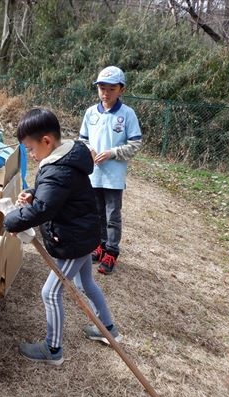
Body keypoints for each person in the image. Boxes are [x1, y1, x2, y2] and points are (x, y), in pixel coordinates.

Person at [3, 108, 122, 366]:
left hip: (74, 239)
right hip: (84, 232)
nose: (31, 156)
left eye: (31, 149)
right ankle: (108, 329)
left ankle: (53, 349)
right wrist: (36, 192)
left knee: (50, 293)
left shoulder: (58, 169)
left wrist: (10, 219)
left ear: (46, 141)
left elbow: (44, 209)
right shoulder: (69, 155)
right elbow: (56, 193)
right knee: (85, 284)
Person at [79, 66, 142, 274]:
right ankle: (99, 244)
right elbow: (83, 139)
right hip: (93, 174)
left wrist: (111, 153)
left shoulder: (127, 114)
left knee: (112, 214)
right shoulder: (90, 113)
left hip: (114, 177)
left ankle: (112, 251)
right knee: (96, 212)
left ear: (121, 90)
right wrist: (89, 150)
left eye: (111, 89)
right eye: (102, 88)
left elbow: (135, 144)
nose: (105, 93)